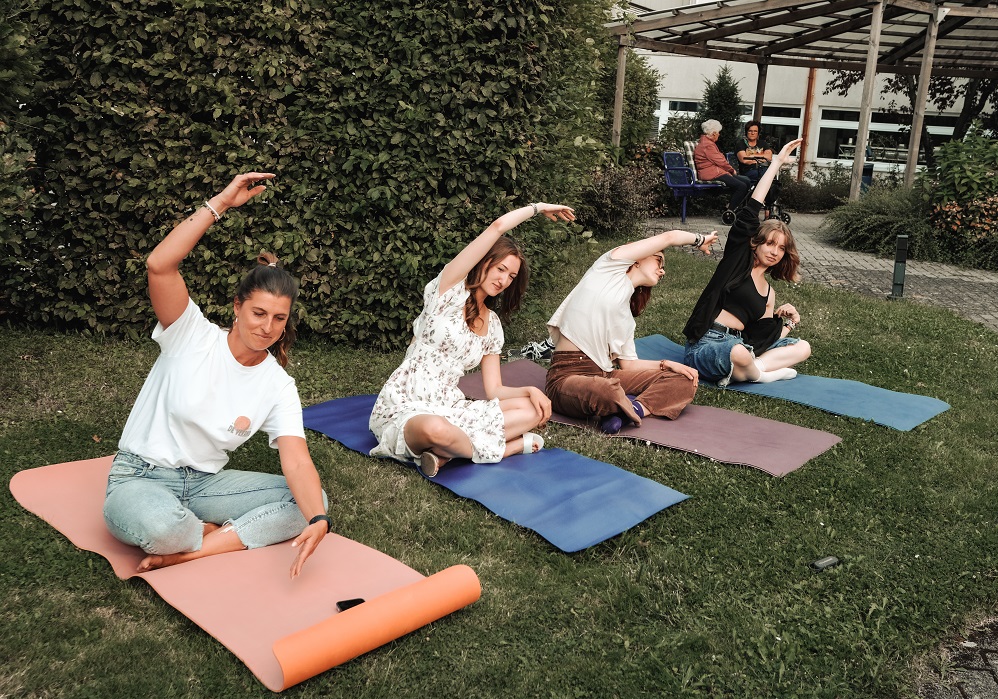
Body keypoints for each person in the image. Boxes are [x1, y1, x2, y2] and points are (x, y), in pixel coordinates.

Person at [102, 172, 330, 579]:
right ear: (238, 307)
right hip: (139, 476)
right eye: (259, 313)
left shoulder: (278, 385)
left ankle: (194, 550)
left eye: (279, 318)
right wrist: (221, 203)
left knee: (312, 503)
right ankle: (202, 535)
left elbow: (296, 461)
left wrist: (317, 521)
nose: (267, 327)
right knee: (163, 527)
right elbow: (159, 265)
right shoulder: (191, 334)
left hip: (207, 486)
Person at [369, 203, 575, 477]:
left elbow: (495, 390)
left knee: (533, 410)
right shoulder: (447, 291)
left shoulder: (493, 325)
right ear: (485, 262)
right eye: (500, 269)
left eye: (511, 276)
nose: (503, 280)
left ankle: (447, 452)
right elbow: (497, 227)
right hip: (407, 401)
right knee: (435, 430)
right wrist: (537, 208)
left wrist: (530, 390)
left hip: (451, 406)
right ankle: (504, 448)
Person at [543, 229, 718, 434]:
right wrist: (701, 240)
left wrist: (666, 365)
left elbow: (628, 365)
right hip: (568, 375)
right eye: (659, 262)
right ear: (637, 259)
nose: (662, 271)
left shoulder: (626, 317)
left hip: (606, 374)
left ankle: (632, 410)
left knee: (685, 379)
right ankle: (621, 402)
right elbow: (669, 238)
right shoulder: (608, 268)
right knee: (605, 390)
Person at [683, 139, 812, 385]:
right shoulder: (737, 261)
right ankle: (758, 374)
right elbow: (752, 206)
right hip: (707, 344)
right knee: (739, 353)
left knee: (802, 348)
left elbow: (763, 340)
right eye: (770, 243)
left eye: (782, 248)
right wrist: (776, 163)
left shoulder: (769, 292)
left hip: (743, 346)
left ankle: (753, 372)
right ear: (756, 242)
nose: (775, 252)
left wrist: (790, 323)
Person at [693, 119, 750, 214]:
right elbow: (721, 161)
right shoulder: (708, 145)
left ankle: (736, 208)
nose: (719, 134)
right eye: (718, 132)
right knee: (741, 186)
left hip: (715, 171)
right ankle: (730, 212)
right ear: (714, 133)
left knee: (746, 181)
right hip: (711, 173)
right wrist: (731, 170)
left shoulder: (708, 143)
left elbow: (719, 161)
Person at [734, 120, 780, 212]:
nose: (752, 133)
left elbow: (769, 157)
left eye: (755, 131)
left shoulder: (763, 144)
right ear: (747, 132)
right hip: (748, 171)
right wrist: (761, 157)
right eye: (750, 131)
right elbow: (744, 159)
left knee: (771, 181)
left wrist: (752, 156)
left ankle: (768, 207)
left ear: (758, 133)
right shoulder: (741, 144)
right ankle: (767, 209)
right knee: (767, 179)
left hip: (762, 170)